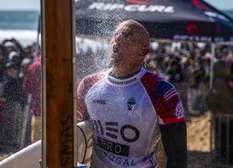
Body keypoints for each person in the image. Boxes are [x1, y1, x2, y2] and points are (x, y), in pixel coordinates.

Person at [77, 20, 187, 168]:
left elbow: (178, 157)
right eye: (116, 34)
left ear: (143, 51)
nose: (118, 39)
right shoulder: (89, 84)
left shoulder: (162, 92)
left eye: (127, 35)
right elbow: (78, 138)